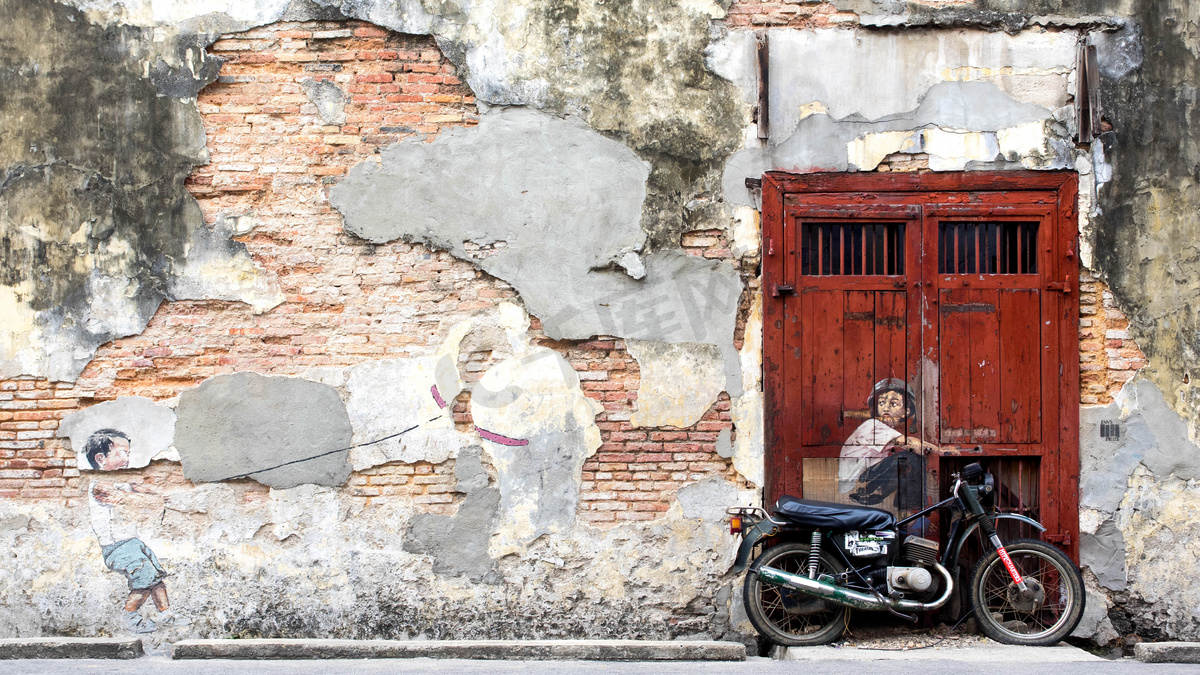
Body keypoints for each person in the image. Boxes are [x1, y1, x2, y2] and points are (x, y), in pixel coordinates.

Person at [84, 429, 186, 633]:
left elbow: (142, 490)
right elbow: (127, 499)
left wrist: (167, 496)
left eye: (128, 453)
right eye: (121, 453)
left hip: (132, 543)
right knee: (145, 577)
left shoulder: (122, 481)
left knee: (156, 575)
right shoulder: (99, 485)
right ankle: (129, 616)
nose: (127, 458)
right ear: (100, 458)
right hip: (116, 549)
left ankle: (166, 614)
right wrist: (154, 501)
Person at [838, 379, 947, 513]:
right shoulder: (872, 425)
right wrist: (943, 452)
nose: (885, 407)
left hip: (863, 480)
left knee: (903, 460)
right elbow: (911, 444)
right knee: (909, 458)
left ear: (905, 412)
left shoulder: (884, 430)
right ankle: (912, 513)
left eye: (893, 403)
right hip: (856, 485)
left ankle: (902, 509)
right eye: (881, 402)